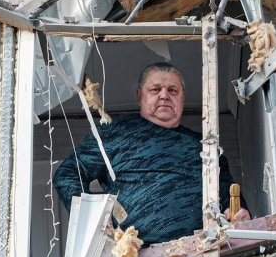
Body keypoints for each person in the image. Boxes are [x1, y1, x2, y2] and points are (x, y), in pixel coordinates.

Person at [54, 62, 250, 244]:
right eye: (155, 89)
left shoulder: (205, 147)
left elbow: (229, 198)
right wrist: (93, 217)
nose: (164, 95)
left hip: (201, 252)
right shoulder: (113, 133)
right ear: (140, 96)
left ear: (182, 97)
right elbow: (67, 174)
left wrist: (238, 213)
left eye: (173, 90)